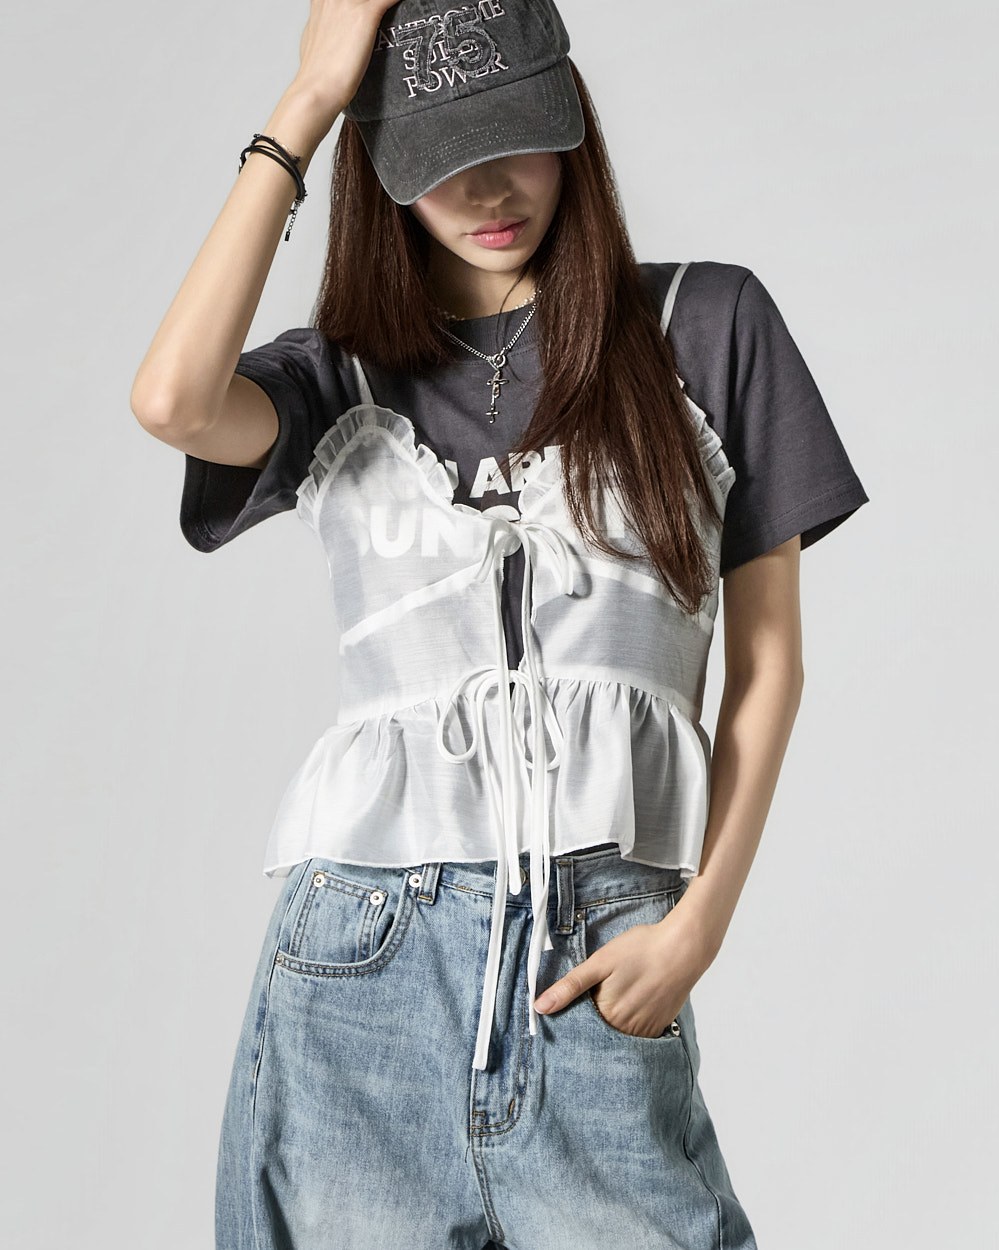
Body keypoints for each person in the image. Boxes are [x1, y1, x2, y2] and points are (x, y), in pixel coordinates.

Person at [131, 1, 869, 1246]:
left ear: (570, 118)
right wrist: (308, 103)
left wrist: (696, 923)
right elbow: (171, 401)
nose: (487, 187)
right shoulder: (334, 378)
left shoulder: (706, 325)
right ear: (379, 168)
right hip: (359, 970)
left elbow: (768, 664)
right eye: (439, 157)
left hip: (599, 947)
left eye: (516, 136)